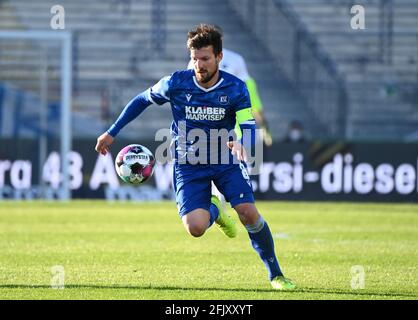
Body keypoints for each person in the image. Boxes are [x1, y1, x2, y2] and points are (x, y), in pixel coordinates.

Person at [95, 24, 295, 290]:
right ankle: (215, 209)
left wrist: (243, 143)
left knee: (248, 213)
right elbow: (141, 100)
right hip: (188, 165)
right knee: (196, 228)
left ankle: (276, 275)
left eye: (205, 58)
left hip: (225, 161)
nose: (199, 64)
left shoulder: (236, 88)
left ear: (219, 58)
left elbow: (247, 124)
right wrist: (112, 132)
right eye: (195, 58)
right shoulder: (176, 83)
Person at [187, 25, 272, 147]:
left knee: (250, 102)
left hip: (232, 98)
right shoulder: (196, 60)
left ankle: (262, 125)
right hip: (211, 100)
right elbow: (192, 84)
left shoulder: (234, 59)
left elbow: (245, 83)